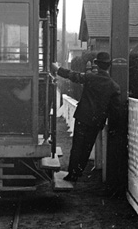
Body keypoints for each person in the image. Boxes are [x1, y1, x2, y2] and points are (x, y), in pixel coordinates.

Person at [52, 51, 121, 182]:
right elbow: (115, 111)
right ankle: (78, 173)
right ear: (109, 66)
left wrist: (58, 69)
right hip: (96, 122)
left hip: (82, 117)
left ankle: (71, 174)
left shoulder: (90, 78)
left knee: (77, 146)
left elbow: (72, 75)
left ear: (98, 65)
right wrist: (113, 128)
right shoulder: (114, 87)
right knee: (87, 148)